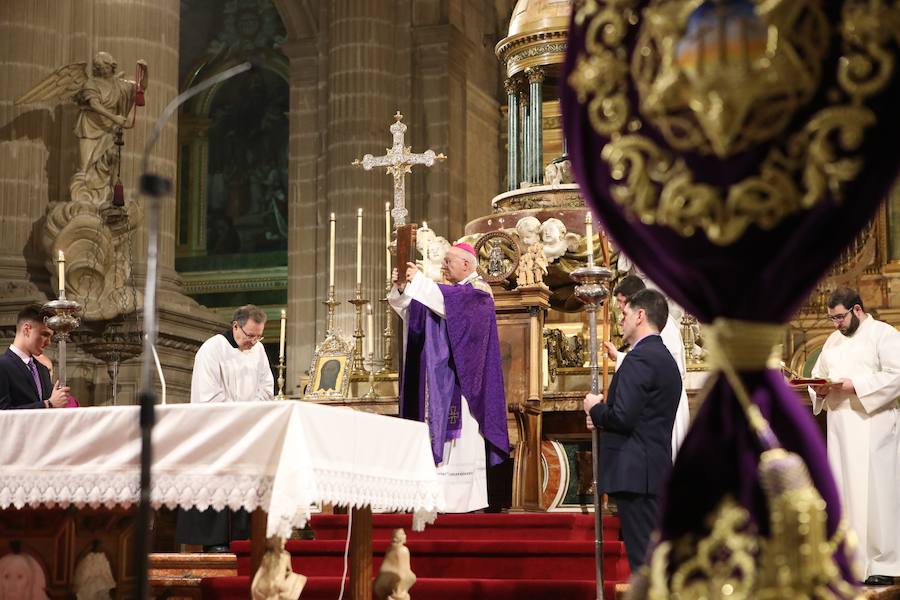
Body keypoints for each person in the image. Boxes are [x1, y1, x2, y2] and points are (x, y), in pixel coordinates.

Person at [389, 243, 509, 512]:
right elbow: (414, 309)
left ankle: (467, 500)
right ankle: (438, 498)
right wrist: (402, 287)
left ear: (466, 264)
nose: (444, 266)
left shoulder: (479, 292)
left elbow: (451, 305)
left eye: (449, 261)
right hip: (441, 379)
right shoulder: (448, 293)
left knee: (464, 439)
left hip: (465, 383)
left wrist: (418, 280)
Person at [583, 288, 681, 571]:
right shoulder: (661, 357)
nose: (620, 320)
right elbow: (640, 416)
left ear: (640, 315)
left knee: (645, 566)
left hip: (636, 474)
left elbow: (623, 418)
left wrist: (594, 408)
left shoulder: (640, 359)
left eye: (624, 314)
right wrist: (601, 417)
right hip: (650, 472)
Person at [810, 287, 900, 586]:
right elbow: (821, 376)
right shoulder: (833, 341)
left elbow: (897, 374)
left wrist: (856, 385)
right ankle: (851, 560)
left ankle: (884, 563)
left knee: (878, 495)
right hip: (841, 428)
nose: (836, 324)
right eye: (831, 318)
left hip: (874, 427)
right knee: (845, 493)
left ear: (857, 310)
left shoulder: (883, 334)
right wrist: (819, 389)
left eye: (839, 317)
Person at [176, 304, 275, 552]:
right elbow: (208, 396)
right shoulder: (212, 349)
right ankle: (215, 543)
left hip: (248, 432)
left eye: (259, 336)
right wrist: (241, 414)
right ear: (235, 326)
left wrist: (250, 414)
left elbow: (266, 389)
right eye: (250, 335)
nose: (254, 341)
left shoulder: (259, 350)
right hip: (217, 435)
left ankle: (244, 541)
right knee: (218, 492)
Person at [604, 275, 691, 459]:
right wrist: (619, 356)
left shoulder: (663, 328)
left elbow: (656, 366)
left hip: (665, 404)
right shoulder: (652, 328)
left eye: (621, 302)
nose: (620, 309)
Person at [0, 305, 70, 410]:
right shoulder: (3, 366)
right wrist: (48, 404)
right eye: (45, 334)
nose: (49, 342)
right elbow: (2, 412)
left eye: (50, 337)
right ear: (27, 329)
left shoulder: (43, 370)